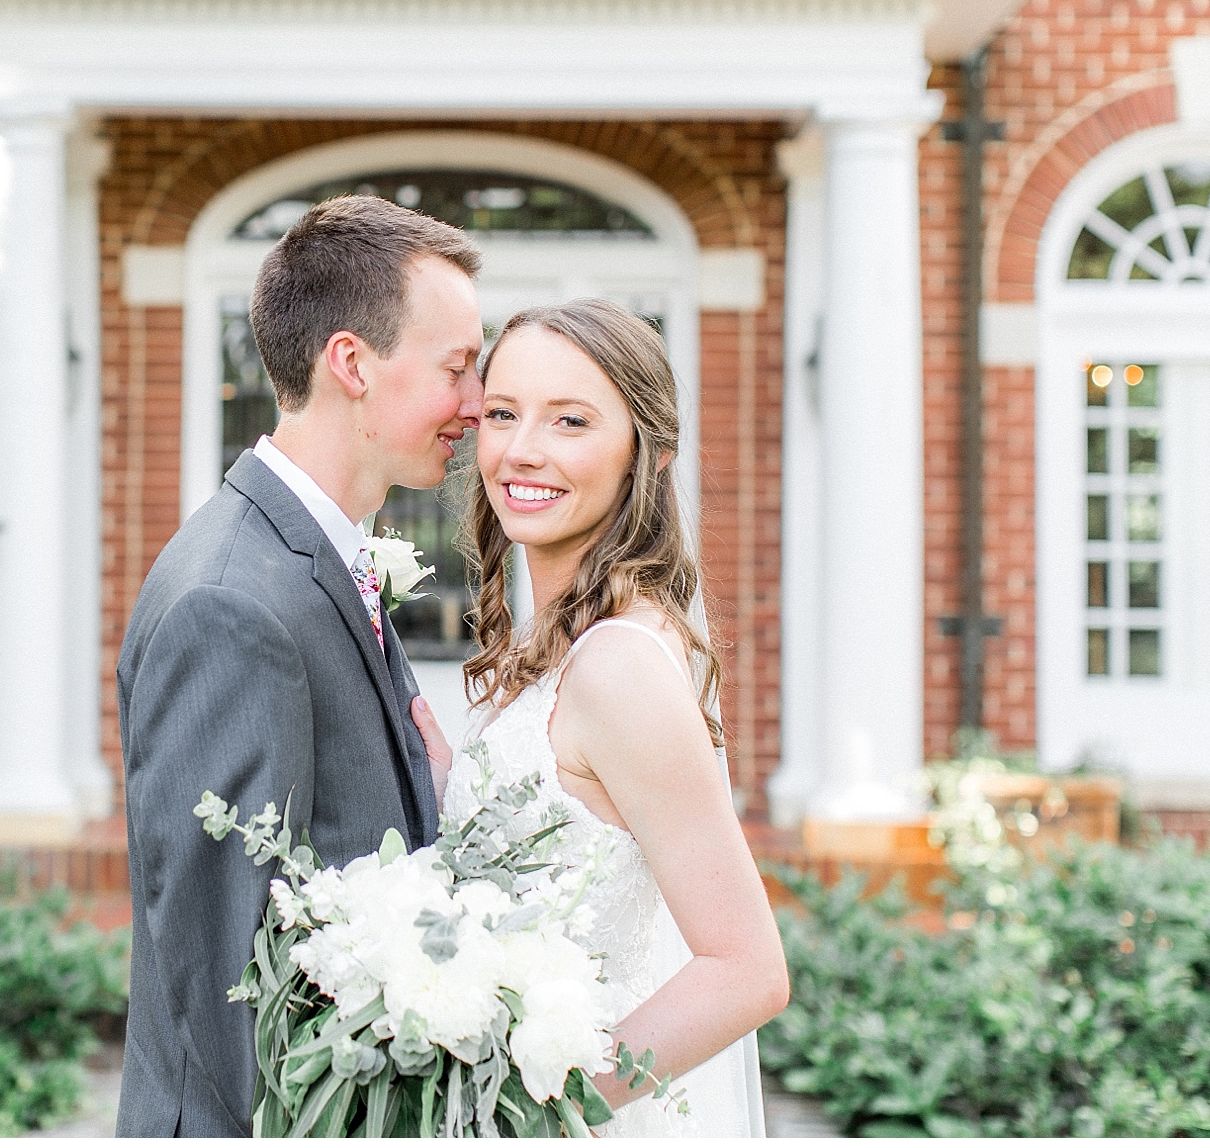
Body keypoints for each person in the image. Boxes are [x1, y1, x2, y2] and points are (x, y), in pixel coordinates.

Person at [115, 195, 480, 1137]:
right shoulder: (230, 602)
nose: (475, 407)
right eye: (457, 368)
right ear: (352, 363)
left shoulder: (313, 557)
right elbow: (229, 980)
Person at [446, 298, 790, 1137]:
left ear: (649, 453)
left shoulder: (617, 665)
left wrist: (534, 1115)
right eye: (502, 412)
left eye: (570, 420)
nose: (522, 449)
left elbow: (747, 970)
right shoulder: (563, 643)